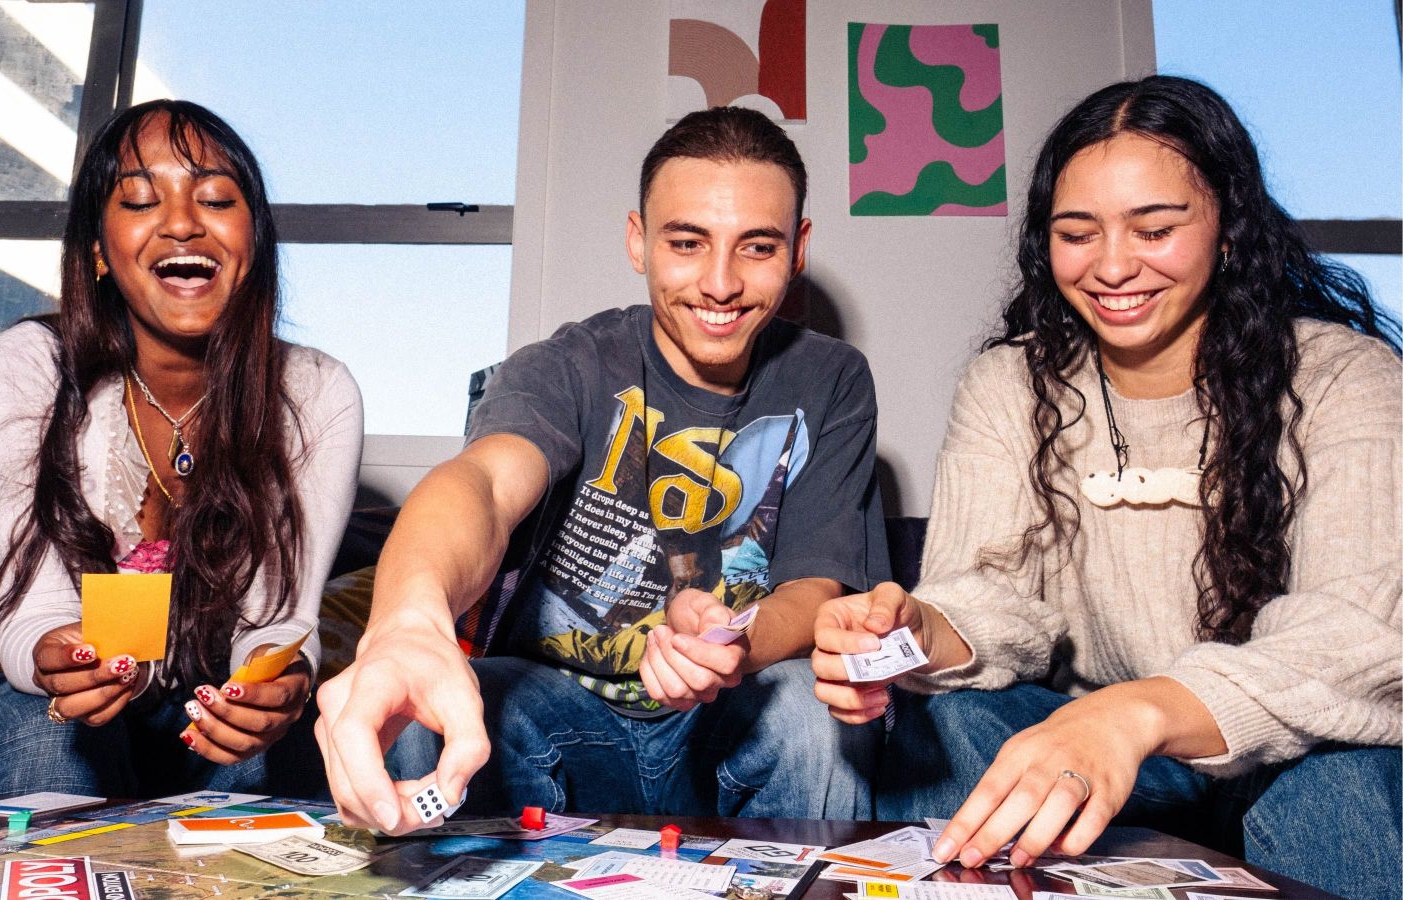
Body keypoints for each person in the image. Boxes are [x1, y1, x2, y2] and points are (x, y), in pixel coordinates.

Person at [811, 75, 1400, 898]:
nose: (1113, 266)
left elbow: (1356, 641)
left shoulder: (1348, 378)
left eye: (1155, 228)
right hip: (1110, 757)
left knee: (1338, 784)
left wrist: (1137, 712)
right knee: (951, 724)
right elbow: (995, 598)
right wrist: (914, 628)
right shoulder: (1009, 385)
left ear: (1229, 226)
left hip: (1291, 754)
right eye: (1077, 233)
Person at [317, 106, 887, 832]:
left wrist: (731, 642)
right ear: (638, 241)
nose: (720, 283)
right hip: (556, 709)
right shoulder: (569, 364)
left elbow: (816, 585)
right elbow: (484, 486)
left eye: (757, 248)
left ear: (798, 248)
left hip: (727, 714)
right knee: (430, 713)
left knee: (815, 714)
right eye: (687, 242)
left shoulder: (831, 378)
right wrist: (405, 621)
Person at [0, 100, 363, 808]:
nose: (183, 222)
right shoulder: (32, 367)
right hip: (25, 703)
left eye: (215, 197)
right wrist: (57, 654)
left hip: (195, 706)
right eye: (141, 200)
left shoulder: (314, 393)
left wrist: (274, 688)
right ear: (98, 247)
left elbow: (277, 621)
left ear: (254, 239)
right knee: (43, 737)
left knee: (291, 758)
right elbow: (33, 611)